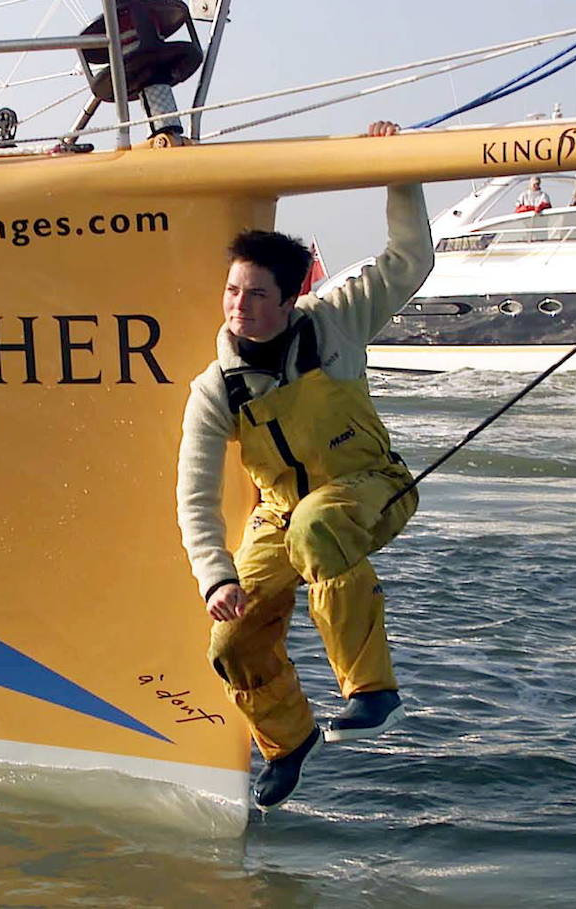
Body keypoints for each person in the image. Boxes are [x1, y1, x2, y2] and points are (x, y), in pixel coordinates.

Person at [176, 120, 433, 810]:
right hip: (278, 517)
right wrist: (215, 577)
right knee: (229, 638)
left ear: (291, 299)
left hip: (371, 487)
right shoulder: (215, 386)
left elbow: (410, 259)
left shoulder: (335, 319)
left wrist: (397, 169)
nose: (241, 308)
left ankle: (370, 690)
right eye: (234, 292)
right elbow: (195, 497)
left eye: (259, 295)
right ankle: (287, 743)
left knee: (319, 525)